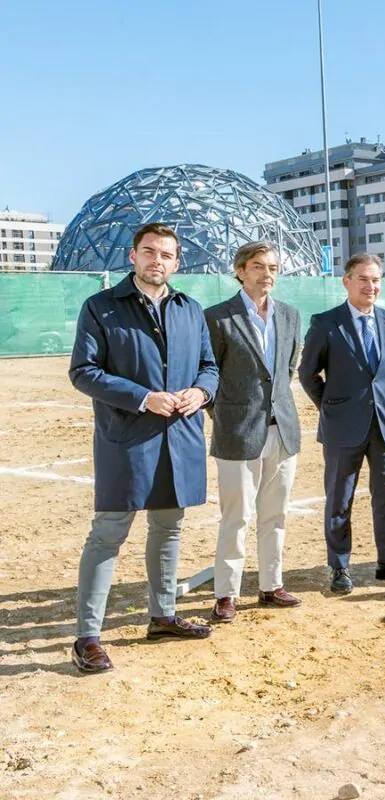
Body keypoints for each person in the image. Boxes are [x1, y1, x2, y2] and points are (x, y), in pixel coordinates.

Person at [67, 222, 219, 673]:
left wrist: (201, 392)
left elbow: (209, 366)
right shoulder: (101, 307)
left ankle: (163, 616)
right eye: (149, 251)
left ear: (177, 262)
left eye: (166, 254)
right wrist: (143, 397)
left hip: (180, 437)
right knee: (108, 534)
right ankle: (87, 636)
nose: (157, 260)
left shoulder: (190, 309)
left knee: (169, 528)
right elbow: (83, 372)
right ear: (133, 256)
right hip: (127, 438)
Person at [298, 252, 385, 594]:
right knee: (339, 499)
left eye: (376, 279)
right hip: (342, 426)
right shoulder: (326, 323)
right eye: (363, 279)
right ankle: (339, 567)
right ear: (347, 281)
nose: (371, 286)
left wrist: (380, 402)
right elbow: (308, 373)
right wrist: (332, 406)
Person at [205, 241, 304, 622]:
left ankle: (271, 586)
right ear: (241, 271)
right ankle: (226, 593)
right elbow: (208, 373)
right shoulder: (218, 318)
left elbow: (286, 370)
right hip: (237, 432)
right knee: (236, 517)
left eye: (273, 268)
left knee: (275, 514)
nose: (267, 274)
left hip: (282, 430)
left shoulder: (290, 315)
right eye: (259, 266)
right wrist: (226, 415)